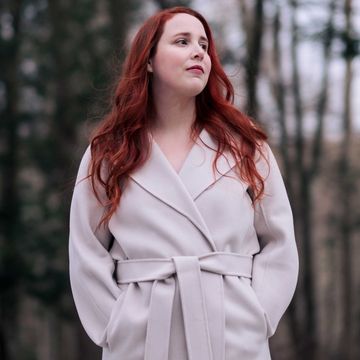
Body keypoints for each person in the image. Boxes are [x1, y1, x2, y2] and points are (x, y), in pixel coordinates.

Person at [68, 6, 299, 360]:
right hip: (142, 336)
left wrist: (257, 315)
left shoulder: (245, 145)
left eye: (204, 45)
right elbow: (86, 250)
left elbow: (279, 240)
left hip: (233, 332)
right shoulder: (110, 151)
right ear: (148, 61)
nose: (199, 52)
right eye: (182, 41)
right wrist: (116, 325)